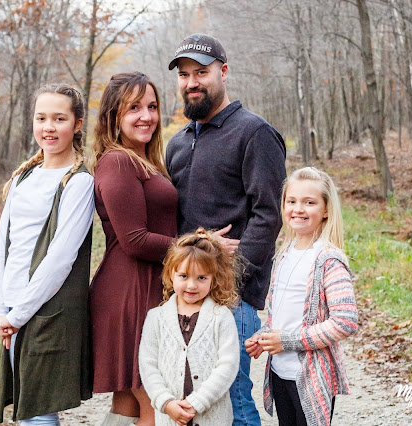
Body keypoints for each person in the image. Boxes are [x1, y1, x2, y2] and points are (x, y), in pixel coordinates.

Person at [166, 33, 287, 425]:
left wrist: (231, 283)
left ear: (224, 71)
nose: (191, 82)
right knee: (195, 403)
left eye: (201, 72)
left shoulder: (254, 133)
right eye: (184, 75)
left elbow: (269, 215)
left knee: (232, 402)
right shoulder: (178, 143)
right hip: (187, 295)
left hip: (232, 301)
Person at [0, 83, 95, 425]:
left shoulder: (78, 182)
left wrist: (17, 315)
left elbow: (60, 260)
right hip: (12, 311)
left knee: (37, 410)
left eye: (59, 118)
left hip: (46, 312)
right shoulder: (23, 177)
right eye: (41, 118)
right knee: (25, 407)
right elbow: (1, 247)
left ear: (77, 124)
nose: (49, 127)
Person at [90, 72, 178, 426]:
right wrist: (199, 245)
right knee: (155, 401)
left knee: (128, 401)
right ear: (114, 116)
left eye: (152, 106)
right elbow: (134, 239)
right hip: (129, 292)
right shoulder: (117, 161)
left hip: (143, 288)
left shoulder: (145, 161)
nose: (147, 116)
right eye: (134, 108)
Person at [245, 167, 358, 426]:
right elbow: (281, 316)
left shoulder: (328, 259)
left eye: (310, 202)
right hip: (279, 372)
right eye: (291, 201)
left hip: (311, 376)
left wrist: (288, 341)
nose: (298, 209)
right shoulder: (284, 254)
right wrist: (264, 337)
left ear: (326, 210)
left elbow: (346, 321)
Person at [139, 228, 240, 426]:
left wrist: (197, 402)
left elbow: (227, 365)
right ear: (171, 274)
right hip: (170, 418)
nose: (192, 285)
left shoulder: (221, 317)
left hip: (212, 418)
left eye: (201, 278)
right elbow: (148, 366)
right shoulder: (156, 318)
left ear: (214, 278)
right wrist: (166, 402)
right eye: (184, 276)